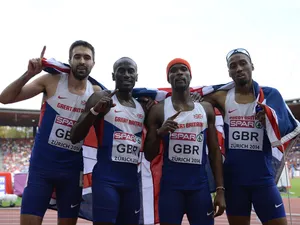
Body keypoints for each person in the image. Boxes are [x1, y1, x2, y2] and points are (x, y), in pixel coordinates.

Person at [0, 40, 102, 225]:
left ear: (93, 64)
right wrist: (29, 74)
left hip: (72, 171)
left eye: (87, 58)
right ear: (70, 60)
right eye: (77, 56)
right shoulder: (51, 81)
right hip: (42, 168)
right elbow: (4, 98)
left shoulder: (95, 93)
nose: (82, 61)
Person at [202, 48, 294, 225]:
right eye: (233, 66)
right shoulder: (221, 97)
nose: (239, 68)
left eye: (243, 63)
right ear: (229, 72)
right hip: (234, 181)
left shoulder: (270, 96)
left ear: (252, 66)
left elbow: (283, 125)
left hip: (263, 179)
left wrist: (269, 117)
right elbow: (191, 100)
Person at [70, 57, 154, 225]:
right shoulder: (101, 97)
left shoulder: (142, 107)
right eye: (121, 71)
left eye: (130, 71)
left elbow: (151, 153)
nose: (126, 75)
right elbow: (74, 136)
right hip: (106, 180)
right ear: (113, 76)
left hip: (131, 182)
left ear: (136, 77)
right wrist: (95, 111)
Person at [143, 58, 226, 225]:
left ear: (190, 75)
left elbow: (215, 152)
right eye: (173, 70)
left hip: (199, 188)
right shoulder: (158, 111)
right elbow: (148, 155)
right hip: (171, 189)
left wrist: (220, 190)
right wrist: (159, 133)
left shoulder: (205, 109)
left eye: (183, 69)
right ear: (168, 78)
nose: (179, 73)